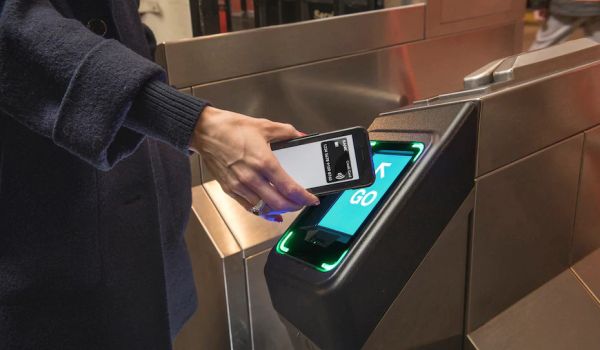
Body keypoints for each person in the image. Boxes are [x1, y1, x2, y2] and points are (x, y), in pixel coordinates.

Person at [0, 0, 319, 348]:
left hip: (152, 239)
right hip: (57, 255)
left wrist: (143, 74)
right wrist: (196, 125)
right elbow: (14, 25)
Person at [529, 0, 600, 50]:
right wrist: (539, 4)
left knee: (541, 51)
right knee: (541, 52)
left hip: (564, 7)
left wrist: (539, 4)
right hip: (563, 9)